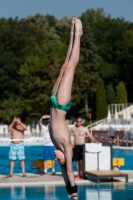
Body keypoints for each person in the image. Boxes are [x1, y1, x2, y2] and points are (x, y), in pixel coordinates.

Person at [49, 17, 82, 200]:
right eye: (59, 160)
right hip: (61, 104)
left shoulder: (56, 146)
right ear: (65, 159)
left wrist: (67, 193)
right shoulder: (67, 148)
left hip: (53, 102)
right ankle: (78, 34)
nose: (56, 157)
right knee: (70, 68)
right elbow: (69, 174)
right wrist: (74, 194)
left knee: (63, 68)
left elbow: (63, 176)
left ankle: (71, 32)